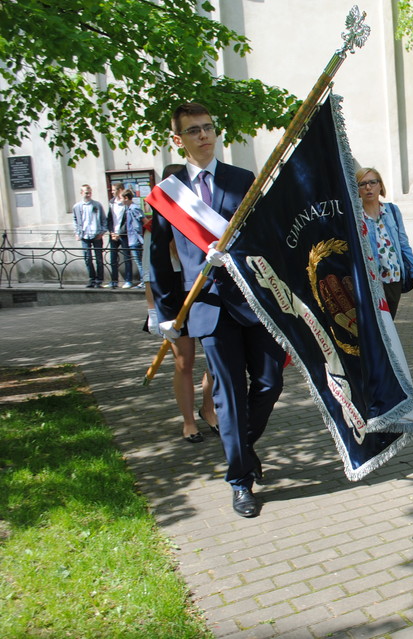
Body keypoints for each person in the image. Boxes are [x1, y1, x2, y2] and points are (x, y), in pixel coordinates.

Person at [151, 103, 285, 518]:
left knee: (269, 382)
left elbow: (265, 236)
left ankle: (240, 449)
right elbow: (157, 258)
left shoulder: (242, 180)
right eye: (193, 131)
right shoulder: (168, 195)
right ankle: (240, 480)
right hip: (207, 308)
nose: (203, 136)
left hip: (252, 301)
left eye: (208, 128)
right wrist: (167, 314)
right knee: (228, 395)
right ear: (178, 140)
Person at [144, 164, 218, 444]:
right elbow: (151, 274)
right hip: (173, 296)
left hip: (204, 290)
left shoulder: (203, 218)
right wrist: (154, 312)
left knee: (215, 361)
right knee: (184, 362)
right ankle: (189, 421)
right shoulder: (156, 225)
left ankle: (208, 408)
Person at [356, 167, 413, 317]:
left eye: (373, 182)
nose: (368, 187)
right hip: (369, 281)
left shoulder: (392, 211)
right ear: (357, 189)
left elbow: (404, 244)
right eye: (362, 184)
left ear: (380, 185)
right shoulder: (355, 216)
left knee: (388, 324)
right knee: (374, 326)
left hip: (393, 278)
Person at [72, 184, 106, 288]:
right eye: (86, 193)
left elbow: (103, 219)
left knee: (99, 258)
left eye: (90, 192)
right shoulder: (77, 206)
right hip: (84, 235)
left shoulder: (97, 205)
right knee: (87, 258)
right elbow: (75, 220)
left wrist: (102, 232)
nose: (88, 195)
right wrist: (77, 233)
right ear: (81, 193)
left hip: (96, 235)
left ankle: (99, 279)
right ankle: (92, 278)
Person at [119, 189, 145, 288]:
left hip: (136, 239)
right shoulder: (128, 209)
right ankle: (143, 281)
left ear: (126, 198)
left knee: (139, 262)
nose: (120, 200)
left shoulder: (134, 208)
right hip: (132, 238)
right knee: (139, 261)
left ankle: (144, 281)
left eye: (121, 198)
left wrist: (139, 235)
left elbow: (141, 221)